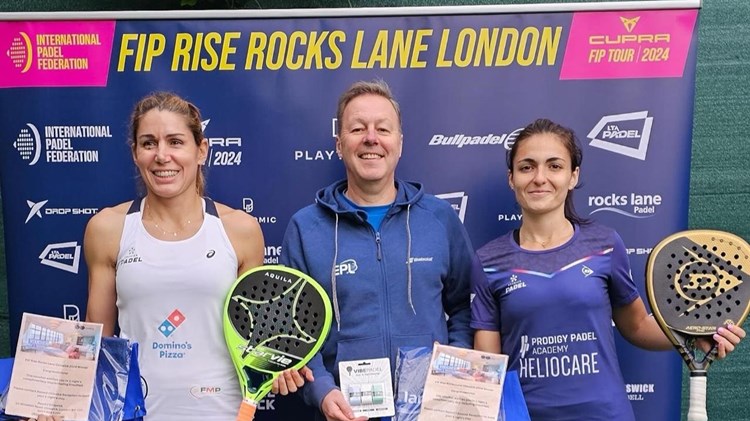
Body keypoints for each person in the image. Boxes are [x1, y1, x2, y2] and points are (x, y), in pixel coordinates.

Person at [471, 118, 746, 421]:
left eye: (554, 166)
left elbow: (638, 325)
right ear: (511, 178)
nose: (540, 177)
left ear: (573, 176)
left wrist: (696, 337)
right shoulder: (488, 260)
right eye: (527, 167)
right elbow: (488, 366)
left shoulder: (604, 243)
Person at [82, 91, 311, 420]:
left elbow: (255, 337)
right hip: (135, 413)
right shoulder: (106, 229)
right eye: (148, 143)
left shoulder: (241, 230)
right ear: (135, 153)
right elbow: (97, 344)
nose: (162, 156)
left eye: (175, 142)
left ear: (200, 150)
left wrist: (278, 367)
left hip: (223, 411)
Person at [280, 79, 481, 421]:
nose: (371, 138)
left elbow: (466, 307)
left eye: (383, 129)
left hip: (430, 412)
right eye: (358, 128)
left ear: (399, 143)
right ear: (340, 144)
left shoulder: (439, 219)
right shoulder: (305, 228)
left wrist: (452, 373)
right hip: (346, 413)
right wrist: (323, 391)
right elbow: (294, 329)